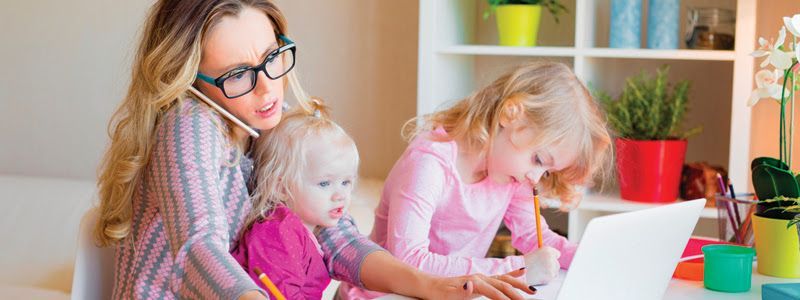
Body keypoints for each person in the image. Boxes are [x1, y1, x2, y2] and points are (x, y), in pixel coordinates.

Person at [94, 0, 530, 299]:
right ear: (191, 82)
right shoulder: (189, 125)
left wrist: (430, 285)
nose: (268, 88)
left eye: (271, 58)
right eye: (238, 75)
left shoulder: (269, 119)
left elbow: (336, 237)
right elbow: (198, 246)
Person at [340, 62, 612, 298]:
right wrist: (515, 271)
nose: (536, 177)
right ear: (510, 115)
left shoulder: (513, 176)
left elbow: (535, 239)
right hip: (382, 294)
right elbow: (408, 263)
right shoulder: (430, 163)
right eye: (539, 160)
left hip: (450, 293)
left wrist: (590, 256)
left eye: (546, 172)